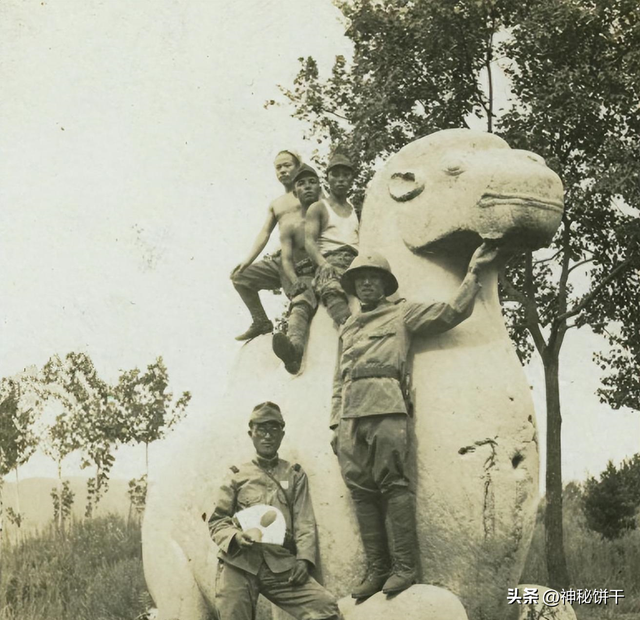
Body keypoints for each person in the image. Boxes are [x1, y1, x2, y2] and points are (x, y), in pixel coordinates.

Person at [330, 243, 501, 600]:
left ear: (385, 284)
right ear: (354, 285)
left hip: (387, 409)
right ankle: (378, 569)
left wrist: (473, 273)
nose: (367, 285)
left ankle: (404, 566)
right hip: (350, 418)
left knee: (394, 486)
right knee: (361, 493)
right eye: (361, 279)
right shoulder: (347, 327)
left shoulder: (402, 314)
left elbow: (451, 313)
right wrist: (335, 424)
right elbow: (338, 379)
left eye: (374, 279)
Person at [208, 401, 340, 620]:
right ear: (251, 433)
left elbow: (304, 521)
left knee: (325, 607)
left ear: (282, 434)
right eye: (261, 429)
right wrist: (236, 536)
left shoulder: (295, 475)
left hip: (279, 564)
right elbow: (217, 521)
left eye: (273, 429)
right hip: (239, 563)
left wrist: (304, 560)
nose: (267, 436)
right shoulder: (236, 475)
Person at [231, 150, 304, 341]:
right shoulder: (276, 204)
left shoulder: (310, 192)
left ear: (298, 167)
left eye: (287, 165)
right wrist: (248, 260)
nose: (282, 170)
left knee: (299, 301)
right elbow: (265, 232)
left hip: (301, 258)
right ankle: (260, 321)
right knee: (239, 277)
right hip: (280, 260)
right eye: (278, 167)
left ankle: (295, 344)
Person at [272, 164, 323, 374]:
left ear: (320, 187)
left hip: (335, 268)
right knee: (301, 301)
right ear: (295, 192)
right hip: (310, 275)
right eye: (301, 184)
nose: (308, 188)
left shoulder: (334, 213)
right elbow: (286, 259)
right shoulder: (291, 225)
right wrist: (296, 282)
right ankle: (294, 351)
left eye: (312, 183)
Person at [305, 154, 359, 328]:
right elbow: (309, 242)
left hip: (356, 262)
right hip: (332, 261)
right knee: (331, 289)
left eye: (346, 175)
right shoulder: (319, 207)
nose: (341, 179)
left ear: (352, 179)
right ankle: (348, 327)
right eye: (336, 175)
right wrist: (323, 264)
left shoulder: (356, 210)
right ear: (327, 178)